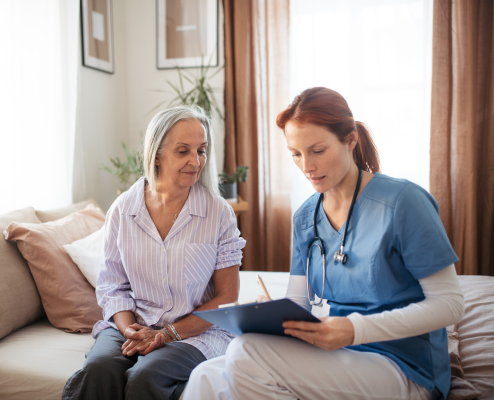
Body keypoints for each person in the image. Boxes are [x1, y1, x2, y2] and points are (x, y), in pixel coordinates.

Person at [183, 87, 465, 400]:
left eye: (318, 151)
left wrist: (354, 329)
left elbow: (450, 304)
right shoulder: (306, 217)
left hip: (403, 366)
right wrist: (269, 316)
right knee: (205, 376)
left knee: (245, 354)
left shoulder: (403, 202)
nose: (307, 166)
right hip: (336, 352)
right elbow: (300, 304)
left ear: (351, 140)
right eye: (296, 154)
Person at [63, 105, 246, 400]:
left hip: (195, 332)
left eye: (201, 150)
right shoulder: (123, 210)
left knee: (145, 376)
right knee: (98, 370)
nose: (196, 161)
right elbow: (113, 286)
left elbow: (226, 298)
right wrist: (130, 331)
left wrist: (167, 334)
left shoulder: (218, 213)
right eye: (183, 151)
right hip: (133, 323)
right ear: (156, 155)